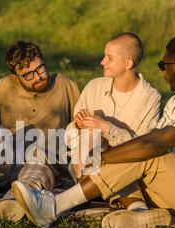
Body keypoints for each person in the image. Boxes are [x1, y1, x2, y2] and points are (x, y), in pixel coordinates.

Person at [12, 33, 175, 228]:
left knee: (146, 154)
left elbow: (154, 144)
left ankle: (53, 207)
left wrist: (103, 159)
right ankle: (153, 217)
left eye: (163, 66)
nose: (162, 72)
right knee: (135, 154)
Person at [0, 41, 80, 221]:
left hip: (43, 164)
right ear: (16, 77)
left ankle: (13, 202)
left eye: (40, 69)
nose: (38, 77)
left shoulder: (65, 85)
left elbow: (80, 128)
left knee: (39, 155)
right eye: (28, 75)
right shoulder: (4, 86)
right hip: (6, 163)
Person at [66, 32, 160, 211]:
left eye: (109, 58)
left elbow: (142, 148)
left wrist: (107, 127)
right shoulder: (94, 87)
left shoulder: (150, 97)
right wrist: (78, 126)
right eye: (104, 56)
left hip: (125, 167)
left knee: (121, 167)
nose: (102, 62)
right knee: (89, 133)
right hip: (85, 166)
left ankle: (136, 209)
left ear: (128, 63)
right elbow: (70, 137)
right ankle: (133, 206)